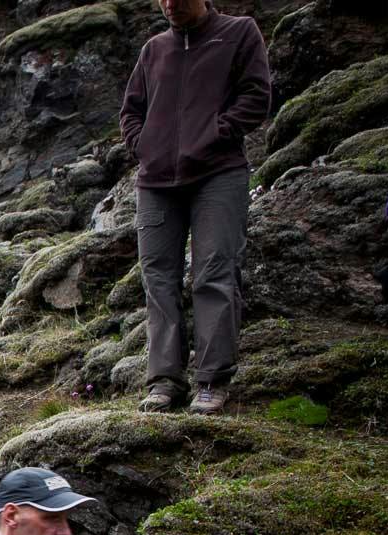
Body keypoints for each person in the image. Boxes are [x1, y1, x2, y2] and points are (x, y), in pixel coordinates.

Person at [121, 0, 272, 416]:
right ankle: (165, 381)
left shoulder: (239, 32)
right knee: (158, 280)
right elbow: (131, 111)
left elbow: (257, 95)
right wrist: (144, 146)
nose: (171, 4)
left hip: (218, 174)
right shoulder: (153, 49)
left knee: (214, 271)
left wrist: (218, 133)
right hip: (156, 183)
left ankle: (211, 381)